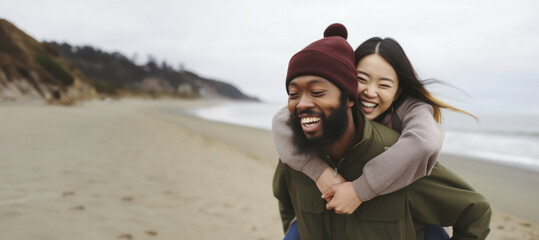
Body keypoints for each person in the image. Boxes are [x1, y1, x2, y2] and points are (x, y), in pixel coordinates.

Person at [272, 23, 491, 239]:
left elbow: (423, 144)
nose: (369, 92)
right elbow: (284, 120)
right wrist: (318, 171)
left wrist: (360, 189)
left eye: (384, 85)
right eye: (360, 80)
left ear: (397, 92)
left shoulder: (409, 116)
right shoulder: (306, 134)